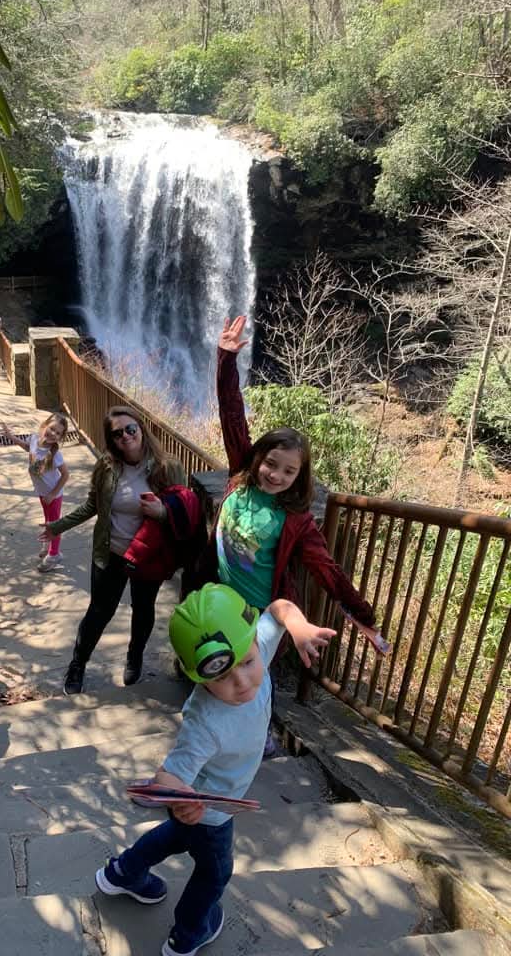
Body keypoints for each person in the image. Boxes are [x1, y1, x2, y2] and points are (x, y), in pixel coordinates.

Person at [94, 582, 334, 956]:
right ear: (198, 677)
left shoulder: (255, 644)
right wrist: (181, 798)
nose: (242, 682)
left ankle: (122, 872)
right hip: (211, 811)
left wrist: (299, 628)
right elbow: (168, 776)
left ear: (252, 644)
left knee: (175, 837)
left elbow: (280, 609)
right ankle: (189, 933)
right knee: (215, 873)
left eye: (248, 664)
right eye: (222, 677)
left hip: (204, 812)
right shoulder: (205, 722)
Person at [210, 314, 379, 755]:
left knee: (254, 677)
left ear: (299, 476)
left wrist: (363, 616)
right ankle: (220, 733)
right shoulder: (239, 476)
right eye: (271, 464)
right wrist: (226, 359)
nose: (276, 475)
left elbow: (327, 570)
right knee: (222, 670)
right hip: (221, 598)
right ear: (258, 458)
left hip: (264, 614)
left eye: (289, 471)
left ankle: (257, 736)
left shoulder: (296, 520)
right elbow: (232, 413)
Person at [41, 405, 186, 694]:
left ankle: (134, 657)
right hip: (110, 554)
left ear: (141, 429)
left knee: (143, 609)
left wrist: (162, 513)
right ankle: (78, 664)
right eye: (117, 434)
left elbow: (182, 508)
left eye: (130, 429)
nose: (125, 436)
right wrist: (58, 526)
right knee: (99, 611)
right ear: (111, 440)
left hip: (148, 556)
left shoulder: (168, 467)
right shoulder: (106, 467)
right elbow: (92, 505)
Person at [2, 413, 69, 572]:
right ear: (44, 425)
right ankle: (47, 543)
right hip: (42, 491)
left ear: (60, 437)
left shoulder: (54, 454)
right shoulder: (33, 439)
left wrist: (53, 494)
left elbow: (66, 475)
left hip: (53, 494)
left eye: (58, 433)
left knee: (54, 524)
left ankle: (54, 554)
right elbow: (28, 448)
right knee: (48, 520)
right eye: (52, 429)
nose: (53, 434)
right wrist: (11, 437)